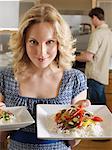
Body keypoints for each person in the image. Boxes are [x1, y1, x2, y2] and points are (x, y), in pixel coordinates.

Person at [0, 3, 90, 150]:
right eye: (33, 42)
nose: (41, 52)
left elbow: (73, 143)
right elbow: (1, 138)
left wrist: (78, 118)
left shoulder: (74, 79)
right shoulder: (6, 77)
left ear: (59, 43)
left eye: (49, 42)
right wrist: (3, 118)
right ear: (23, 42)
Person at [76, 7, 112, 105]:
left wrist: (72, 57)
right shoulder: (109, 33)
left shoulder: (97, 33)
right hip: (102, 75)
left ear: (95, 17)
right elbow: (99, 53)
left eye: (91, 19)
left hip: (94, 77)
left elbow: (88, 57)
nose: (92, 22)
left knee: (95, 107)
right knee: (101, 106)